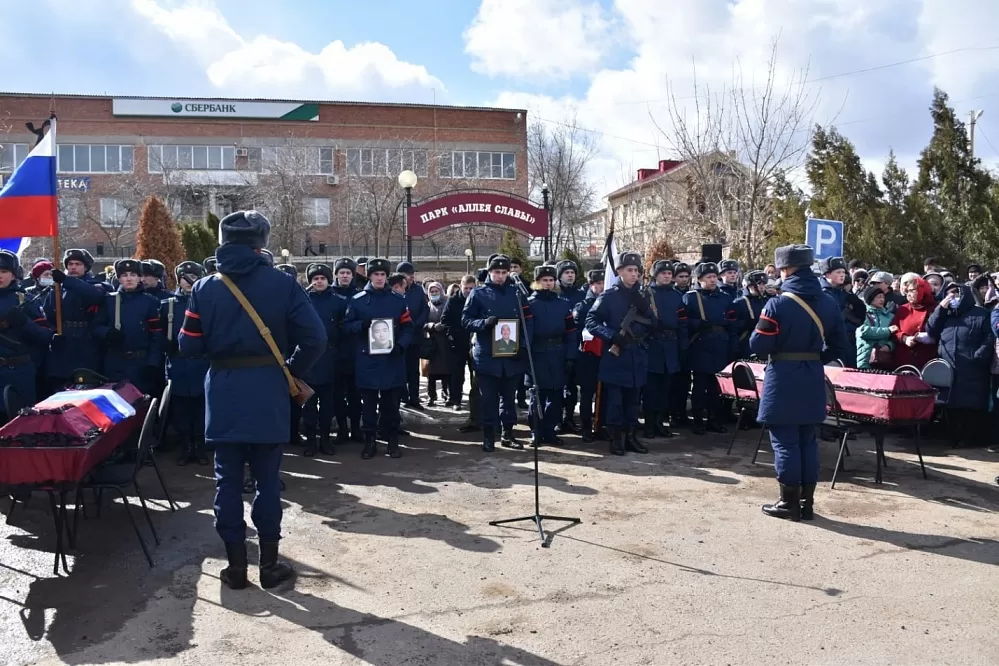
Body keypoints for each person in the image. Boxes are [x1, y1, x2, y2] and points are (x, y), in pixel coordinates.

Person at [179, 210, 327, 590]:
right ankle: (270, 566)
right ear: (261, 242)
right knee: (267, 479)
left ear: (224, 240)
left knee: (226, 481)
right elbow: (315, 339)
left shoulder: (205, 287)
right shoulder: (283, 284)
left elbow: (187, 344)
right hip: (268, 390)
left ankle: (236, 568)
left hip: (224, 389)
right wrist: (290, 370)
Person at [750, 244, 850, 521]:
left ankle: (788, 503)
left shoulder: (778, 303)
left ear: (785, 270)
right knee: (807, 439)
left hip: (783, 375)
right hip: (813, 374)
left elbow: (758, 344)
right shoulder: (829, 302)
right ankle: (807, 504)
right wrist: (814, 356)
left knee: (784, 441)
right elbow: (841, 346)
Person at [344, 258, 413, 459]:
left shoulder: (398, 300)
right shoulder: (358, 300)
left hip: (392, 360)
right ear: (370, 276)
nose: (380, 278)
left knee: (391, 406)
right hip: (368, 361)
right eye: (376, 274)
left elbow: (408, 327)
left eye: (383, 275)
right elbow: (346, 327)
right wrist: (360, 326)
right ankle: (370, 442)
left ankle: (392, 442)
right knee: (368, 407)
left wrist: (400, 345)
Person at [585, 252, 652, 455]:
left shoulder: (644, 295)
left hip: (637, 354)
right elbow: (591, 321)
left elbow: (652, 322)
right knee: (615, 401)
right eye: (629, 270)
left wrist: (647, 312)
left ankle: (631, 437)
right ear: (619, 272)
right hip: (617, 354)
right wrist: (611, 336)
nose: (634, 274)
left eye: (637, 271)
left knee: (633, 400)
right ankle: (616, 439)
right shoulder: (609, 296)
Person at [462, 254, 530, 452]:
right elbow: (465, 320)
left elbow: (528, 320)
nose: (500, 276)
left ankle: (508, 433)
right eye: (496, 272)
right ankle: (489, 436)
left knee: (509, 398)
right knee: (489, 399)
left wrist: (523, 345)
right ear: (489, 273)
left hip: (512, 356)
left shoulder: (516, 292)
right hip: (487, 357)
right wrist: (483, 323)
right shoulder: (478, 294)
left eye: (504, 272)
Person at [926, 283, 993, 446]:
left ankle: (969, 439)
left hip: (971, 367)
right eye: (948, 294)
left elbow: (989, 337)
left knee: (970, 406)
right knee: (950, 405)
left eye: (955, 294)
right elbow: (931, 330)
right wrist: (940, 309)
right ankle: (953, 438)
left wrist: (978, 356)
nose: (952, 298)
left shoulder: (981, 314)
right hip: (948, 367)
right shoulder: (945, 314)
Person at [162, 261, 210, 465]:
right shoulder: (168, 304)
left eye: (193, 277)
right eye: (185, 277)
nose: (189, 281)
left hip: (202, 363)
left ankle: (200, 446)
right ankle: (185, 446)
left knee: (201, 407)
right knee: (181, 408)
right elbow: (157, 335)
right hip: (178, 364)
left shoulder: (208, 303)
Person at [683, 262, 738, 435]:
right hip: (701, 344)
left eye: (714, 276)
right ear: (699, 279)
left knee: (716, 386)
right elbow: (683, 322)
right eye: (709, 277)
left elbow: (732, 321)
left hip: (719, 344)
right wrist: (697, 324)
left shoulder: (724, 298)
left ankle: (714, 419)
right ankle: (698, 420)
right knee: (700, 386)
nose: (713, 280)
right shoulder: (691, 297)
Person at [93, 259, 164, 395]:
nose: (129, 279)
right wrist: (107, 333)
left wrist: (153, 363)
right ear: (119, 278)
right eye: (124, 275)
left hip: (140, 362)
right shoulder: (109, 300)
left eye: (133, 275)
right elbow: (96, 327)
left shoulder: (150, 302)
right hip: (115, 363)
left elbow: (157, 335)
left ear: (140, 277)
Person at [525, 265, 577, 446]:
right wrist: (526, 355)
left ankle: (550, 430)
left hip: (558, 353)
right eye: (544, 280)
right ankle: (536, 431)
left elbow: (571, 332)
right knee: (537, 395)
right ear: (537, 282)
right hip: (537, 354)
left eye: (550, 280)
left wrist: (570, 356)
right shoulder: (529, 304)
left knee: (556, 396)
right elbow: (526, 332)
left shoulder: (563, 304)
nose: (548, 283)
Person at [42, 249, 106, 394]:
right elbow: (48, 316)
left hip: (86, 341)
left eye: (78, 264)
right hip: (63, 342)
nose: (73, 267)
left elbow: (95, 296)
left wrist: (67, 280)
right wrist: (53, 333)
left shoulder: (95, 284)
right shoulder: (57, 289)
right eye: (70, 264)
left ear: (86, 267)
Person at [0, 251, 51, 419]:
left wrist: (24, 323)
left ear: (14, 274)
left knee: (23, 425)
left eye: (4, 271)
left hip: (19, 372)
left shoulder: (26, 299)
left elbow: (45, 337)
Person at [301, 263, 344, 457]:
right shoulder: (303, 301)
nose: (319, 282)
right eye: (315, 279)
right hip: (308, 360)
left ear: (328, 280)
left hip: (330, 359)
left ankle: (325, 439)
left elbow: (344, 329)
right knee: (308, 405)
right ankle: (311, 441)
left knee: (328, 405)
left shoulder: (338, 302)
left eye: (322, 279)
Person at [643, 260, 688, 439]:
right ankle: (648, 425)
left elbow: (683, 322)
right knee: (650, 390)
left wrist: (683, 345)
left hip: (670, 345)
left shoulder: (677, 296)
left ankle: (660, 422)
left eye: (670, 273)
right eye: (663, 273)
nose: (667, 276)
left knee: (665, 389)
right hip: (652, 345)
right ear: (655, 275)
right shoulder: (646, 294)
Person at [330, 258, 362, 443]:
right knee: (337, 395)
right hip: (335, 353)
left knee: (355, 395)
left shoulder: (358, 294)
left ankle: (356, 428)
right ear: (336, 274)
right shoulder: (329, 294)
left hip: (355, 352)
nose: (345, 276)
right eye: (341, 272)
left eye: (348, 273)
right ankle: (342, 429)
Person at [574, 269, 605, 443]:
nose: (601, 287)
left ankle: (600, 425)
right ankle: (586, 426)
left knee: (605, 393)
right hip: (587, 356)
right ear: (591, 285)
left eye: (603, 283)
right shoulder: (583, 306)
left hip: (607, 355)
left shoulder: (610, 303)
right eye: (598, 284)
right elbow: (577, 331)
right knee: (587, 394)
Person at [556, 260, 585, 433]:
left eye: (572, 272)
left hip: (577, 345)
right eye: (566, 272)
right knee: (558, 385)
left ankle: (569, 417)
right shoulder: (555, 294)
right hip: (558, 345)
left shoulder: (581, 295)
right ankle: (557, 418)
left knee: (572, 386)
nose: (570, 275)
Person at [441, 275, 476, 417]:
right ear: (461, 287)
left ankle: (477, 400)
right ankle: (455, 399)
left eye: (471, 288)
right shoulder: (453, 301)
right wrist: (452, 333)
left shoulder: (478, 299)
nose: (468, 291)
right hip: (458, 341)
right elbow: (445, 319)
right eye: (466, 288)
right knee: (457, 374)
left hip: (475, 341)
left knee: (476, 373)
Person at [395, 262, 428, 409]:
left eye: (412, 275)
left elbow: (425, 309)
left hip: (414, 335)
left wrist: (415, 324)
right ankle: (402, 397)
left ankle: (414, 398)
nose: (411, 278)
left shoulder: (418, 290)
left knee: (414, 369)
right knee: (400, 368)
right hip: (399, 336)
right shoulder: (394, 289)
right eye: (407, 275)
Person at [890, 276, 938, 370]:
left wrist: (931, 337)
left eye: (912, 291)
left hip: (928, 361)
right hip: (904, 362)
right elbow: (893, 329)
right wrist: (904, 338)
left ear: (922, 290)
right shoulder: (903, 309)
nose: (908, 294)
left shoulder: (936, 309)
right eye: (907, 291)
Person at [669, 262, 693, 427]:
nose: (684, 280)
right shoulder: (673, 295)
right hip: (672, 342)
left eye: (686, 276)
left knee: (684, 382)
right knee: (672, 382)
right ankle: (671, 412)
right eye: (680, 277)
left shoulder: (693, 295)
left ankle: (682, 412)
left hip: (689, 342)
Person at [422, 281, 452, 407]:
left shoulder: (447, 304)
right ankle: (431, 396)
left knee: (446, 370)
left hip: (445, 342)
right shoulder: (426, 306)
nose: (434, 294)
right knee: (431, 372)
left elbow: (451, 319)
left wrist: (444, 326)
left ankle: (446, 394)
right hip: (432, 343)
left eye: (436, 291)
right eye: (432, 292)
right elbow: (421, 322)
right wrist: (432, 326)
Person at [856, 285, 897, 370]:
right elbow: (863, 331)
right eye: (878, 297)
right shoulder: (862, 313)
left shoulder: (890, 316)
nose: (882, 299)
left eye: (883, 297)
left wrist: (889, 346)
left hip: (884, 359)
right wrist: (887, 331)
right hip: (864, 360)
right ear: (870, 299)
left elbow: (895, 337)